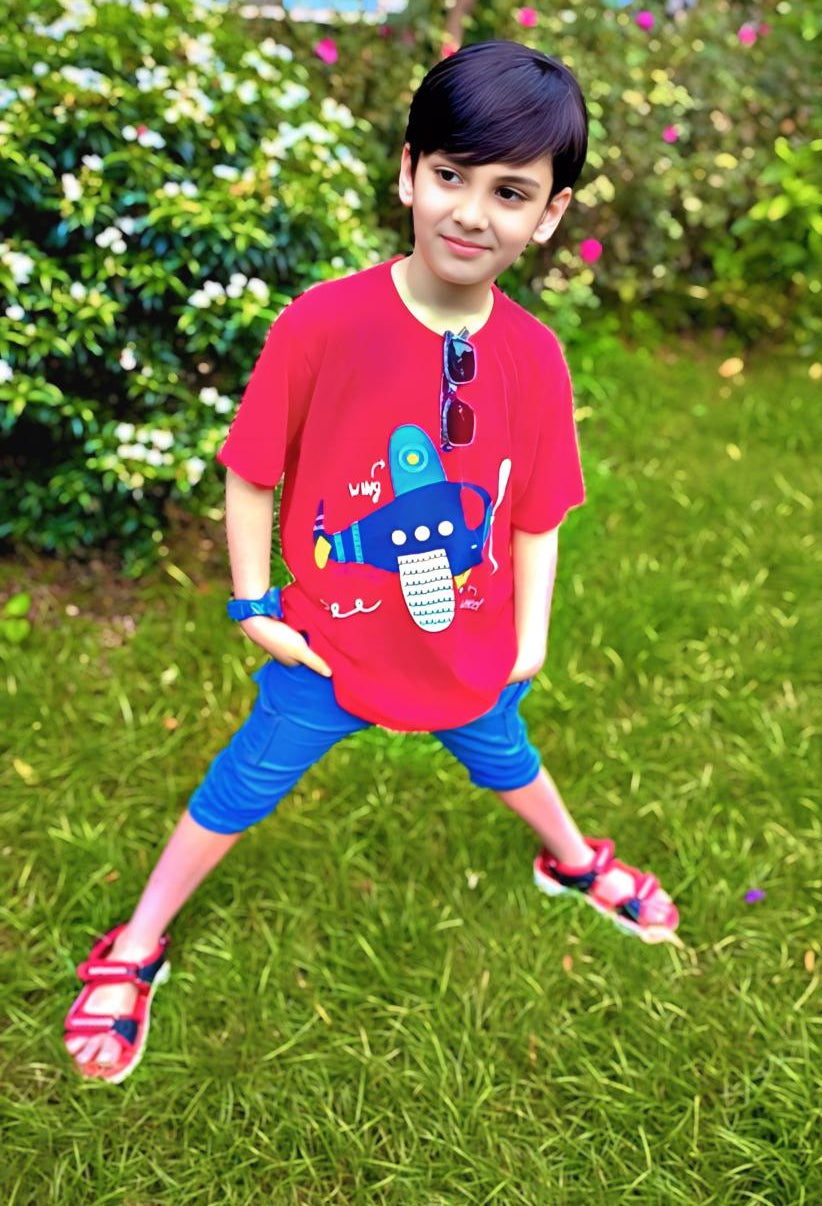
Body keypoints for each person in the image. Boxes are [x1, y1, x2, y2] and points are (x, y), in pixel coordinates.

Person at [63, 39, 681, 1084]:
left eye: (510, 191)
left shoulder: (533, 357)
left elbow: (536, 512)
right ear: (406, 172)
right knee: (241, 783)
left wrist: (529, 633)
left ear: (550, 216)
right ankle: (138, 940)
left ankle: (573, 860)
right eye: (450, 176)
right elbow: (252, 472)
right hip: (330, 650)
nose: (472, 213)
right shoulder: (325, 326)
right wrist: (254, 603)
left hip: (466, 654)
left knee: (506, 758)